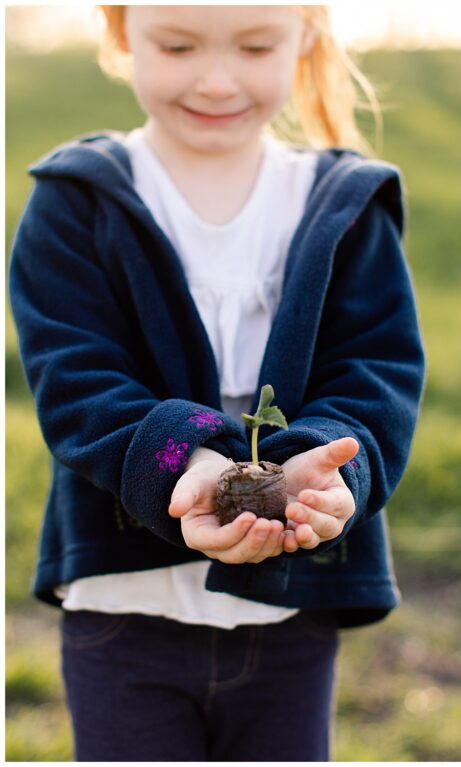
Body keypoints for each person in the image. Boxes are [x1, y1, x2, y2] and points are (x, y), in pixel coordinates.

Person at [9, 6, 424, 761]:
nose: (216, 79)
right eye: (177, 45)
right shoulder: (74, 202)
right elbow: (76, 381)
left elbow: (375, 374)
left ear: (306, 37)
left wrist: (329, 476)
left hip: (291, 617)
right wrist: (191, 464)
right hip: (122, 611)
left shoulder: (345, 206)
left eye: (255, 46)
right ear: (118, 35)